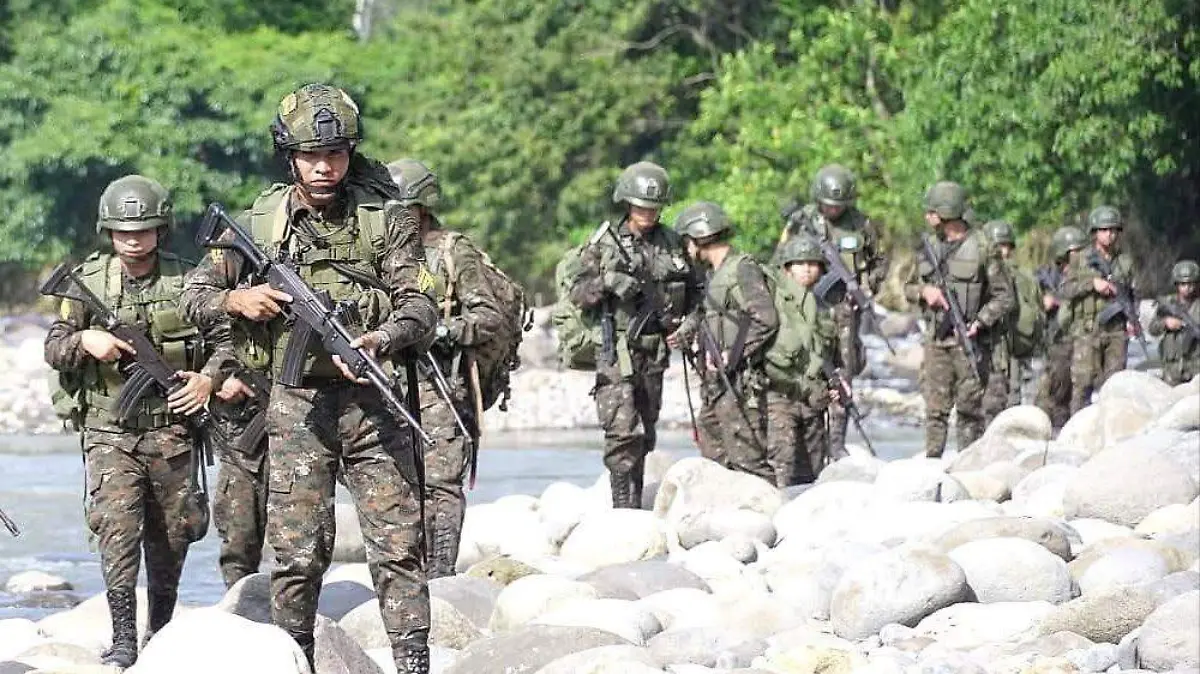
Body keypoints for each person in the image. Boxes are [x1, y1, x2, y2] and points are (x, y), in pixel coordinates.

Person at [180, 83, 438, 672]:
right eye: (310, 155)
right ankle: (297, 658)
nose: (324, 167)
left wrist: (380, 340)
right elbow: (194, 294)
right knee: (297, 552)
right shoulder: (261, 224)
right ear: (288, 155)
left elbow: (419, 307)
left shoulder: (386, 220)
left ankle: (414, 662)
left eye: (337, 154)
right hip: (296, 406)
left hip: (374, 402)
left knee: (399, 547)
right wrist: (239, 300)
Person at [44, 175, 221, 667]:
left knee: (173, 534)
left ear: (160, 229)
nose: (133, 239)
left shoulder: (188, 281)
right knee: (117, 530)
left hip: (172, 429)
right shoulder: (86, 284)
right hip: (109, 430)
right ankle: (124, 638)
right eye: (123, 230)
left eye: (142, 229)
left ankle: (159, 631)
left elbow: (230, 344)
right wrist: (85, 342)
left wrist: (206, 380)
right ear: (108, 230)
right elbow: (54, 348)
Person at [387, 158, 504, 577]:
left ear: (420, 206)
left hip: (441, 382)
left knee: (441, 482)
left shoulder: (453, 252)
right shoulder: (379, 252)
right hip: (389, 384)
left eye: (400, 208)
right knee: (395, 481)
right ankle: (406, 573)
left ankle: (441, 575)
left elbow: (489, 318)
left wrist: (442, 332)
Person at [568, 162, 695, 508]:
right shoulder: (604, 244)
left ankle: (636, 502)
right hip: (617, 350)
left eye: (654, 208)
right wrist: (608, 282)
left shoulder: (672, 243)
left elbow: (697, 292)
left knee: (646, 434)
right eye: (641, 207)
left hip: (654, 352)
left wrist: (687, 327)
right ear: (626, 203)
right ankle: (623, 509)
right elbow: (577, 292)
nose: (648, 214)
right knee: (622, 432)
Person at [777, 164, 887, 459]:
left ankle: (836, 442)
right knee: (805, 366)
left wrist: (866, 289)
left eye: (838, 205)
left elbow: (879, 262)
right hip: (806, 307)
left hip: (845, 309)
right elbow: (781, 261)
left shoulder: (861, 224)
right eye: (828, 204)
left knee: (843, 371)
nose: (833, 210)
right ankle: (806, 438)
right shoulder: (801, 222)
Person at [668, 201, 778, 480]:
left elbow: (765, 318)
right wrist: (686, 331)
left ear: (698, 237)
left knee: (748, 460)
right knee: (714, 460)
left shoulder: (741, 269)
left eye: (687, 241)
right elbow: (709, 312)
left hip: (739, 381)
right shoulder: (713, 275)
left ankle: (768, 517)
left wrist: (733, 353)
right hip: (716, 383)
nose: (686, 248)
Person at [904, 182, 1013, 457]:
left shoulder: (983, 247)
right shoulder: (928, 247)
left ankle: (968, 462)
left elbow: (1004, 296)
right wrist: (924, 291)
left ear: (947, 212)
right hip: (937, 341)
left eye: (932, 211)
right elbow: (908, 288)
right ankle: (932, 461)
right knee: (935, 409)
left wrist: (980, 321)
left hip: (970, 342)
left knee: (970, 409)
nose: (927, 217)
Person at [763, 235, 836, 486]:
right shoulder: (773, 301)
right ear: (787, 268)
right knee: (781, 464)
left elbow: (830, 353)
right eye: (799, 263)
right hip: (779, 394)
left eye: (812, 263)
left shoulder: (823, 307)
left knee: (812, 471)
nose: (806, 268)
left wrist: (833, 385)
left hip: (812, 397)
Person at [1060, 206, 1137, 412]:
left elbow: (1130, 293)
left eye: (1113, 230)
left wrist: (1132, 320)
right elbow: (1066, 290)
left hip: (1116, 329)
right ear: (1095, 232)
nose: (1109, 235)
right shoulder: (1080, 259)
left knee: (1115, 384)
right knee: (1082, 384)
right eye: (1104, 230)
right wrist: (1091, 284)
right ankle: (1077, 430)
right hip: (1087, 329)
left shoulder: (1124, 261)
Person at [981, 219, 1039, 424]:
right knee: (989, 401)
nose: (1002, 252)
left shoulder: (1023, 277)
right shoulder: (982, 275)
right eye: (998, 246)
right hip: (989, 343)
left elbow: (1033, 313)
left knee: (1013, 399)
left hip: (1015, 344)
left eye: (1006, 246)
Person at [1034, 225, 1087, 431]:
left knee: (1079, 387)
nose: (1078, 257)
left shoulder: (1086, 274)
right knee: (1057, 385)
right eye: (1074, 252)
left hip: (1081, 336)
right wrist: (1046, 302)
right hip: (1058, 339)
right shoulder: (1048, 277)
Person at [1149, 260, 1200, 385]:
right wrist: (1165, 323)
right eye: (1183, 284)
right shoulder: (1169, 304)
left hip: (1196, 368)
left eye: (1190, 284)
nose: (1187, 288)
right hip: (1172, 369)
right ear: (1176, 284)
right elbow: (1152, 329)